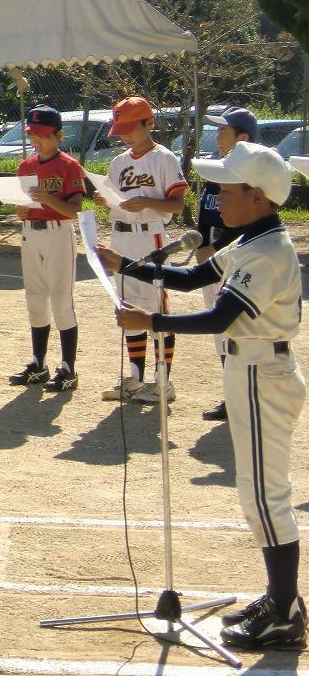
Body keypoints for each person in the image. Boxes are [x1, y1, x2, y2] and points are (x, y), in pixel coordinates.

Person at [104, 142, 305, 650]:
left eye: (226, 189)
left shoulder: (267, 250)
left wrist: (151, 320)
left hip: (262, 368)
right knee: (258, 492)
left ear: (257, 197)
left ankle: (283, 611)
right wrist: (128, 266)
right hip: (251, 367)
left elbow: (219, 316)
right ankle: (281, 599)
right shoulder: (250, 238)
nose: (216, 197)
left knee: (265, 495)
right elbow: (195, 277)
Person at [96, 96, 188, 404]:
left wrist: (147, 202)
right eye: (120, 128)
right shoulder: (119, 162)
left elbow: (177, 203)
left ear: (149, 123)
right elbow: (110, 195)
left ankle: (163, 381)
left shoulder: (164, 158)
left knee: (156, 309)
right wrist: (102, 198)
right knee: (127, 307)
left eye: (130, 127)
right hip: (122, 237)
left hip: (151, 238)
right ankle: (135, 378)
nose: (124, 134)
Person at [8, 106, 85, 392]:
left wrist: (48, 199)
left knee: (61, 299)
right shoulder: (26, 166)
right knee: (35, 298)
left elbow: (75, 210)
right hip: (31, 234)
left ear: (58, 135)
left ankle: (68, 368)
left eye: (42, 135)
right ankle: (38, 363)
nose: (36, 140)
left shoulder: (69, 165)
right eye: (33, 134)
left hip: (58, 233)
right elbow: (23, 205)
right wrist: (22, 211)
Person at [196, 107, 259, 421]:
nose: (218, 136)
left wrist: (215, 248)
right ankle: (231, 395)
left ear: (243, 138)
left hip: (232, 259)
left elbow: (244, 226)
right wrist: (199, 242)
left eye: (224, 131)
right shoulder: (218, 167)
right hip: (211, 257)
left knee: (236, 331)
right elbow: (206, 215)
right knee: (220, 333)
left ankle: (245, 396)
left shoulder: (249, 175)